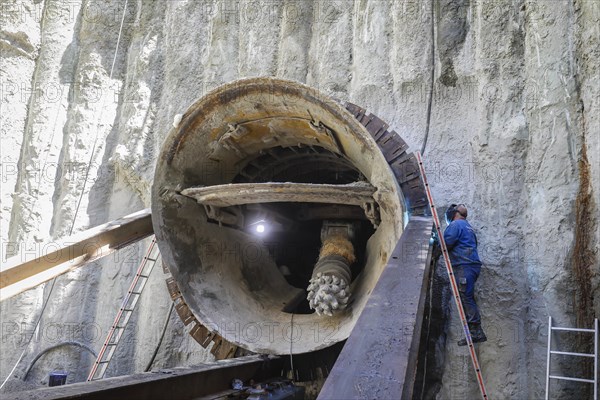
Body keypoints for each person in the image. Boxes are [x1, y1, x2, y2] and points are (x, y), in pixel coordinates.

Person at [443, 204, 487, 346]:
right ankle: (475, 332)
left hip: (464, 266)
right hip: (472, 266)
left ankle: (476, 333)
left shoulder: (456, 225)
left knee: (465, 297)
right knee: (468, 297)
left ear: (454, 214)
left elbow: (447, 243)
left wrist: (434, 248)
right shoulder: (469, 227)